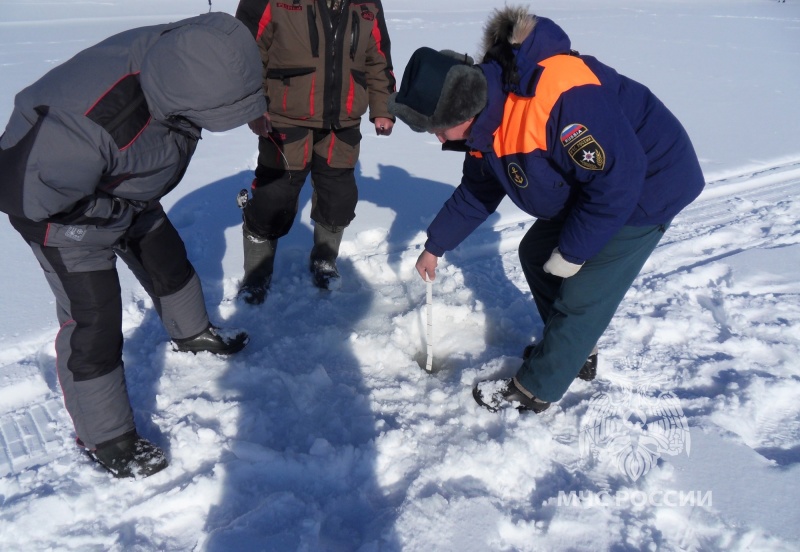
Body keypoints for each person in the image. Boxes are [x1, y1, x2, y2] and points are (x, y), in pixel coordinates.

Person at [388, 6, 705, 413]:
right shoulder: (488, 118)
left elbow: (618, 180)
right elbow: (478, 190)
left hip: (647, 185)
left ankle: (537, 388)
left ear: (459, 112)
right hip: (599, 185)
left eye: (433, 125)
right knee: (536, 253)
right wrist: (436, 245)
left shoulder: (558, 98)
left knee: (583, 293)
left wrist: (574, 252)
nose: (433, 136)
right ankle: (574, 347)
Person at [0, 12, 267, 477]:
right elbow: (24, 195)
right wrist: (112, 215)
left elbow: (222, 53)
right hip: (60, 214)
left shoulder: (185, 55)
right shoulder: (85, 127)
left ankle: (192, 334)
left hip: (125, 189)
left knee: (169, 261)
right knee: (96, 318)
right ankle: (107, 438)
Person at [234, 0, 396, 302]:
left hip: (344, 119)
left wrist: (383, 107)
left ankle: (325, 260)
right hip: (285, 116)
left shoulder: (368, 4)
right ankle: (256, 274)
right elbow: (246, 52)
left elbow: (379, 58)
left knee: (339, 197)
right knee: (274, 197)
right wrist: (252, 106)